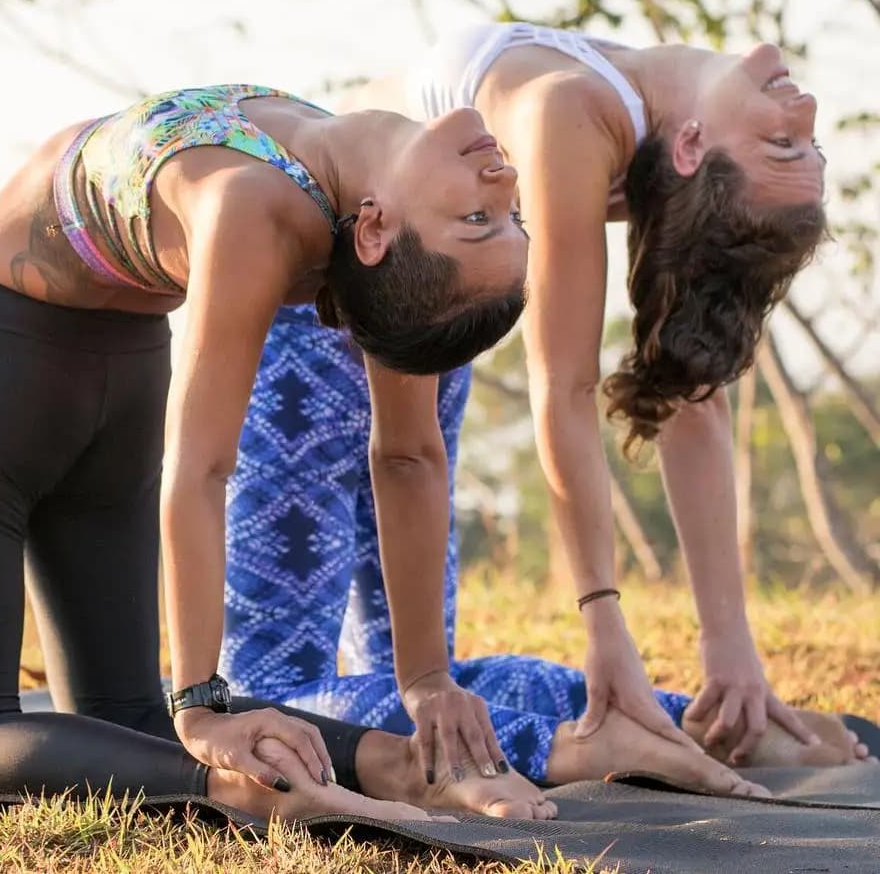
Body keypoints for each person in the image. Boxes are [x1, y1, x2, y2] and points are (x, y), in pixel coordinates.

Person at [0, 82, 563, 823]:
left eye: (479, 220)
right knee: (127, 711)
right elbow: (403, 459)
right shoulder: (353, 214)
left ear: (376, 230)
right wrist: (416, 680)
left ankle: (259, 789)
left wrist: (210, 703)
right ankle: (391, 764)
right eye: (500, 218)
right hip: (122, 366)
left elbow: (264, 464)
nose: (504, 182)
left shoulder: (264, 208)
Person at [296, 23, 830, 764]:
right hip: (332, 296)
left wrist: (728, 644)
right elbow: (564, 383)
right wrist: (603, 619)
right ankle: (584, 746)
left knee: (399, 677)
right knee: (325, 679)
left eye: (786, 147)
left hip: (390, 321)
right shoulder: (591, 106)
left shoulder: (611, 123)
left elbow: (674, 382)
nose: (803, 115)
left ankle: (629, 732)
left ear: (693, 147)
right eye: (803, 147)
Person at [222, 310, 873, 787]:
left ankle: (574, 748)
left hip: (303, 338)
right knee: (422, 680)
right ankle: (690, 723)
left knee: (264, 692)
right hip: (446, 313)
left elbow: (190, 467)